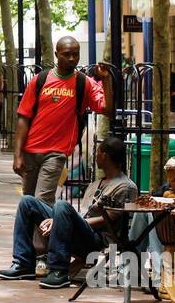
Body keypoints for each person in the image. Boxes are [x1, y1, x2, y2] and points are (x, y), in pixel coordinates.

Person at [0, 135, 139, 289]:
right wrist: (61, 220)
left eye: (97, 152)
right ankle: (23, 263)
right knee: (27, 202)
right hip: (80, 229)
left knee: (62, 206)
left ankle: (58, 271)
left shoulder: (125, 186)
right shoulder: (96, 184)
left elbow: (109, 220)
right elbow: (83, 213)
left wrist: (61, 220)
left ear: (104, 155)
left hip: (96, 239)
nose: (94, 156)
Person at [12, 36, 113, 205]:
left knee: (42, 201)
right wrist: (17, 155)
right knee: (28, 202)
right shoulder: (40, 80)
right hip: (30, 152)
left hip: (56, 153)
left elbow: (107, 109)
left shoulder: (84, 83)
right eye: (67, 54)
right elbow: (23, 118)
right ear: (56, 54)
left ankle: (45, 231)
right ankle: (26, 232)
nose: (72, 58)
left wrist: (106, 80)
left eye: (75, 54)